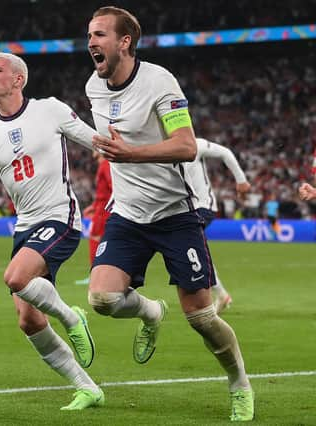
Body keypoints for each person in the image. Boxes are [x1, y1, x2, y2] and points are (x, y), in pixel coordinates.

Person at [84, 6, 254, 421]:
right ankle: (150, 311)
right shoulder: (93, 86)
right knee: (102, 298)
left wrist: (132, 154)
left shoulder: (160, 82)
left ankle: (240, 385)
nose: (91, 42)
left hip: (176, 213)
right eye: (89, 34)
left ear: (124, 42)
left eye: (101, 34)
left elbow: (187, 145)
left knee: (201, 317)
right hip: (127, 213)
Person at [0, 52, 103, 410]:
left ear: (18, 79)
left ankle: (74, 318)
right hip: (25, 226)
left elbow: (97, 142)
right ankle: (88, 387)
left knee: (15, 277)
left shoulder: (50, 110)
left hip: (60, 218)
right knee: (28, 320)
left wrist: (124, 148)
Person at [186, 138, 251, 314]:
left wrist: (241, 180)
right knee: (195, 250)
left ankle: (212, 297)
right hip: (185, 210)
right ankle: (220, 295)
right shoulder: (159, 151)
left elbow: (225, 152)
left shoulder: (194, 144)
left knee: (189, 248)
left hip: (203, 206)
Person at [75, 152, 112, 285]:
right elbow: (104, 192)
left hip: (104, 213)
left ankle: (95, 275)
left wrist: (100, 207)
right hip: (102, 209)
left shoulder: (105, 165)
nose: (93, 151)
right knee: (104, 242)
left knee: (95, 239)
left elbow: (112, 189)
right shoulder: (105, 164)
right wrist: (94, 206)